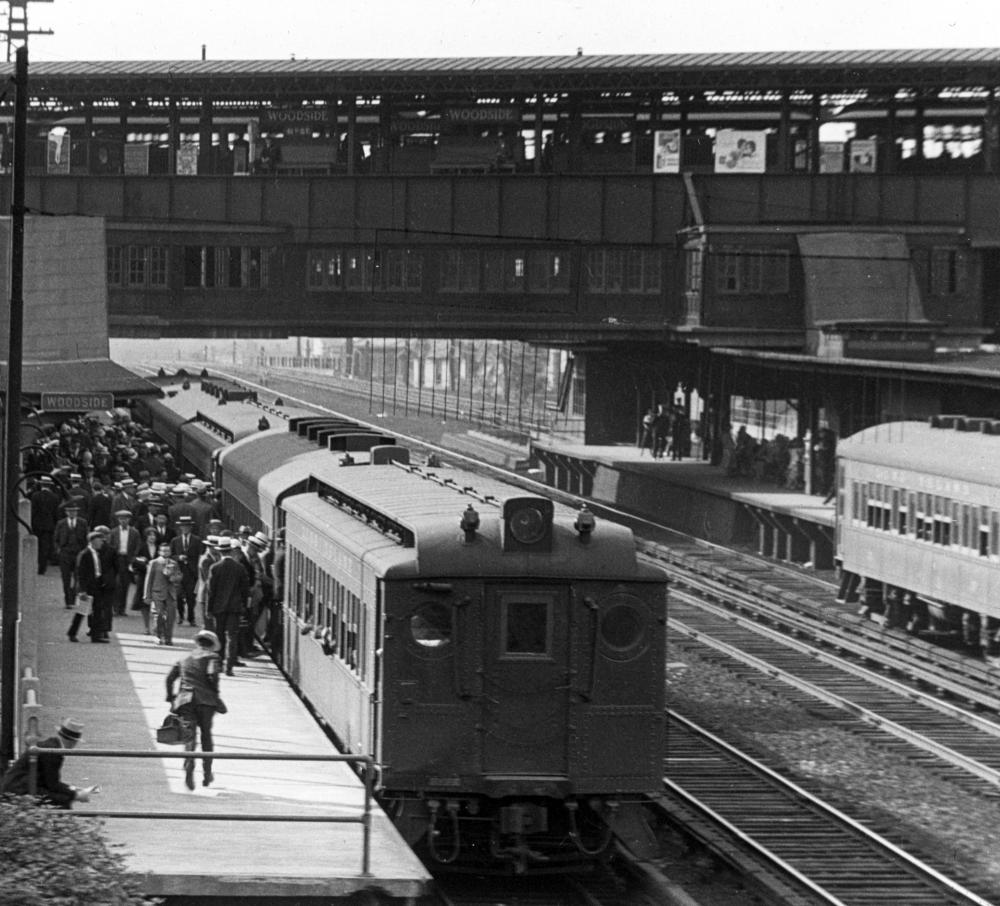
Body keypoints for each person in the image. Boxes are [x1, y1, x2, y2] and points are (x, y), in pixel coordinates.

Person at [165, 630, 225, 790]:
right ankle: (207, 773)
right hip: (206, 701)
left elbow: (169, 679)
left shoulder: (183, 658)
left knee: (189, 736)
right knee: (206, 734)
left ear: (198, 643)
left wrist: (170, 697)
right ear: (211, 645)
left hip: (185, 701)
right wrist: (215, 695)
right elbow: (212, 677)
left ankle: (189, 766)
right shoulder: (213, 657)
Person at [0, 718, 99, 809]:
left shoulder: (52, 745)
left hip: (19, 786)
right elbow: (52, 784)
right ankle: (60, 826)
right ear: (73, 742)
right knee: (62, 801)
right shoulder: (54, 753)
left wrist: (73, 789)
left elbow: (50, 782)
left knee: (61, 798)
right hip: (20, 790)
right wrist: (76, 795)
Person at [207, 538, 251, 675]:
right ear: (231, 551)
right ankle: (229, 666)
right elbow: (245, 590)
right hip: (235, 608)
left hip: (218, 608)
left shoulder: (214, 568)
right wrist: (244, 606)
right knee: (232, 636)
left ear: (219, 551)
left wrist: (209, 609)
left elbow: (211, 591)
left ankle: (218, 664)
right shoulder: (240, 568)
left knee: (219, 635)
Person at [73, 530, 116, 643]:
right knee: (82, 610)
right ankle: (72, 632)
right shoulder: (85, 554)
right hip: (87, 587)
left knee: (97, 611)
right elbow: (81, 573)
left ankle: (96, 636)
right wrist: (82, 590)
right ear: (93, 541)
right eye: (99, 540)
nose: (102, 543)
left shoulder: (95, 553)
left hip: (96, 585)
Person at [144, 542, 183, 646]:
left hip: (170, 594)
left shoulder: (174, 563)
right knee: (159, 615)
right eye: (163, 550)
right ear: (159, 551)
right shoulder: (154, 563)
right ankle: (157, 636)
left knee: (171, 617)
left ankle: (168, 637)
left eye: (168, 550)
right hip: (157, 593)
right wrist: (147, 595)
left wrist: (174, 578)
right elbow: (149, 579)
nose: (166, 552)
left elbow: (179, 576)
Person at [53, 502, 89, 609]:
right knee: (66, 577)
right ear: (66, 512)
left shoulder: (83, 523)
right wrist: (59, 550)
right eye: (69, 511)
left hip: (78, 552)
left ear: (77, 512)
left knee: (79, 577)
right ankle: (68, 601)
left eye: (74, 511)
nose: (72, 513)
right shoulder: (61, 523)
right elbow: (56, 538)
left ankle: (73, 598)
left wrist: (85, 551)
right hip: (65, 553)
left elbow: (86, 538)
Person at [109, 509, 141, 616]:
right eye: (121, 519)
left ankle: (122, 608)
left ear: (129, 520)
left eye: (125, 519)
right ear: (118, 520)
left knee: (125, 584)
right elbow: (110, 546)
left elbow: (137, 546)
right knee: (116, 584)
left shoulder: (134, 532)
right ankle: (115, 608)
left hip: (128, 559)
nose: (123, 521)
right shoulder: (113, 532)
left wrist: (133, 557)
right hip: (117, 559)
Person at [29, 476, 60, 575]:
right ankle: (42, 568)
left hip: (36, 525)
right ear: (50, 486)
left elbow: (33, 512)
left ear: (41, 485)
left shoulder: (35, 496)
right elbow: (56, 514)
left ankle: (35, 565)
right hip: (48, 526)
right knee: (45, 547)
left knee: (36, 546)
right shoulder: (55, 497)